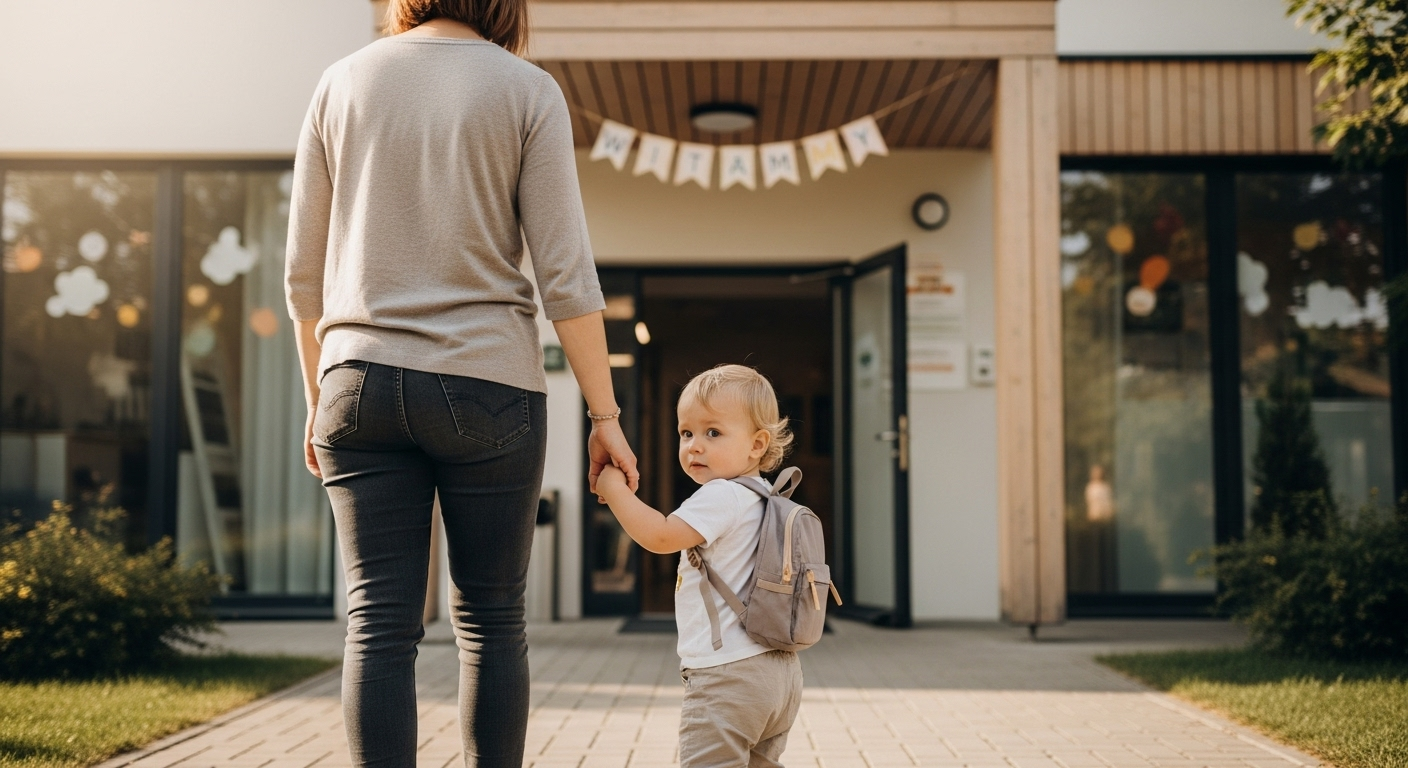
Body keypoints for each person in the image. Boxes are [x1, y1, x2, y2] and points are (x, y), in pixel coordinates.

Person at [283, 1, 638, 766]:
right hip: (488, 386)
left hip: (356, 379)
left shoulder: (340, 82)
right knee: (489, 617)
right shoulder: (525, 88)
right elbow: (565, 277)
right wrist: (604, 414)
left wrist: (319, 398)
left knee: (377, 621)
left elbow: (301, 275)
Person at [595, 365, 802, 768]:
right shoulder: (767, 497)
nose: (694, 446)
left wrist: (614, 490)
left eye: (713, 433)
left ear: (757, 444)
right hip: (780, 675)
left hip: (728, 677)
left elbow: (660, 536)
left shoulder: (721, 495)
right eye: (686, 433)